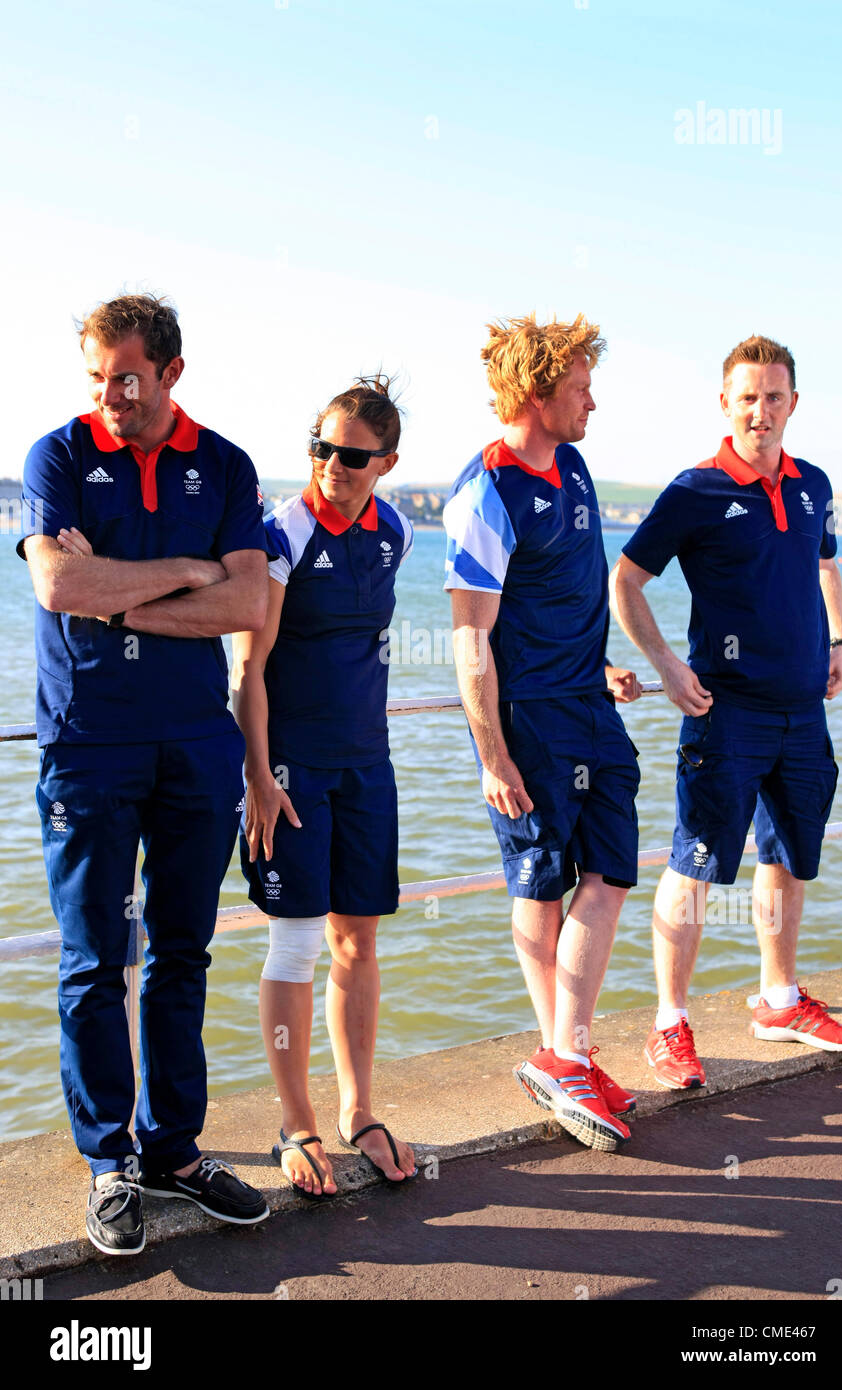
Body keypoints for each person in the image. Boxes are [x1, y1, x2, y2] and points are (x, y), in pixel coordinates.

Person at [19, 293, 271, 1254]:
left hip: (195, 745)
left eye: (125, 374)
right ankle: (108, 1163)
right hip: (87, 741)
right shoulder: (60, 455)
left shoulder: (228, 464)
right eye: (96, 375)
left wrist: (121, 600)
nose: (108, 392)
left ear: (170, 372)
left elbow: (247, 601)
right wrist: (187, 572)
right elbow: (58, 584)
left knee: (182, 953)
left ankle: (173, 1153)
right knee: (93, 963)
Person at [609, 334, 842, 1089]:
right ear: (726, 403)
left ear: (793, 402)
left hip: (803, 712)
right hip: (725, 711)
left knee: (785, 858)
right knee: (694, 865)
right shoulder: (693, 491)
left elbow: (823, 564)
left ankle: (779, 1000)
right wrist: (665, 663)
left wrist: (841, 640)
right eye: (748, 397)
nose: (762, 410)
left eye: (775, 396)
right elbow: (626, 580)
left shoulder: (813, 483)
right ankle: (669, 1024)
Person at [443, 314, 642, 1152]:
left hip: (589, 710)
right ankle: (564, 1055)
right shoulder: (484, 491)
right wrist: (492, 752)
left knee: (613, 871)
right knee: (539, 881)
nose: (592, 402)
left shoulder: (577, 464)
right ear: (536, 394)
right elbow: (470, 635)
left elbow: (568, 595)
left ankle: (566, 1051)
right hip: (527, 721)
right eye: (580, 388)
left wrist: (598, 668)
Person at [231, 377, 417, 1197]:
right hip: (291, 771)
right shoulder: (284, 533)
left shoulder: (399, 533)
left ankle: (359, 1110)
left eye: (351, 454)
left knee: (359, 942)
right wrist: (260, 779)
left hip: (366, 766)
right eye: (321, 447)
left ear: (387, 462)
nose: (332, 464)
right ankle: (295, 1122)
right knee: (299, 941)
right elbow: (250, 668)